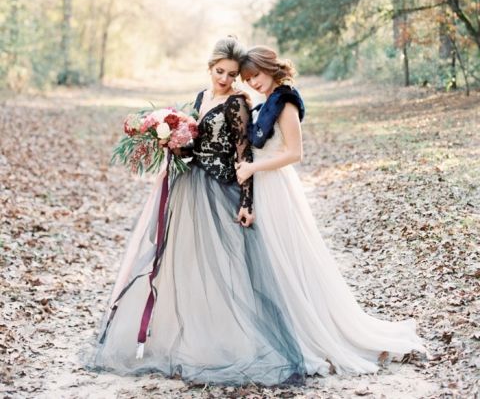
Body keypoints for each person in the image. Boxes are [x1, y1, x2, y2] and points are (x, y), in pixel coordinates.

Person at [93, 37, 307, 386]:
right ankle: (183, 339)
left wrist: (246, 202)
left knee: (224, 269)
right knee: (184, 264)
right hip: (189, 186)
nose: (225, 78)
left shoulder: (238, 103)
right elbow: (194, 143)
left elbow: (243, 154)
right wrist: (169, 141)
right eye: (220, 71)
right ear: (210, 68)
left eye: (233, 74)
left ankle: (226, 342)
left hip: (220, 187)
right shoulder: (199, 98)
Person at [236, 45, 425, 376]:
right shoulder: (265, 103)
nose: (253, 83)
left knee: (288, 259)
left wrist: (254, 169)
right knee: (272, 260)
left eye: (256, 76)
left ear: (270, 68)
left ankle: (307, 330)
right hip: (261, 187)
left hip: (276, 186)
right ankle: (281, 328)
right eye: (248, 79)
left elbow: (295, 153)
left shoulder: (285, 101)